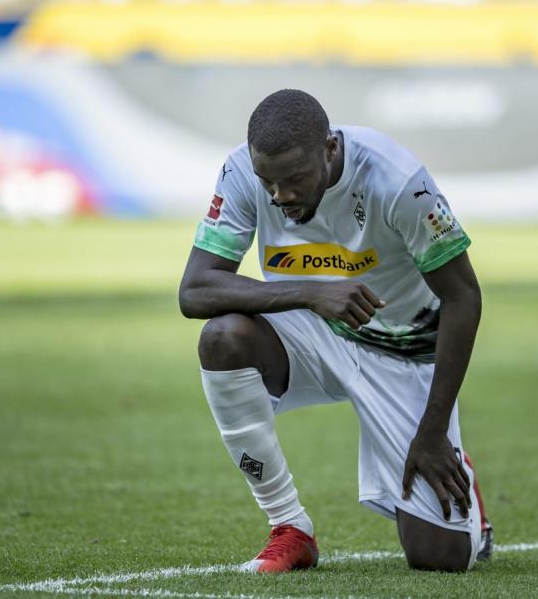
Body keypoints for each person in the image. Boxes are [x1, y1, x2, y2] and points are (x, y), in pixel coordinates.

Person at [178, 89, 492, 573]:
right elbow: (195, 290)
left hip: (404, 350)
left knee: (439, 558)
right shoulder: (242, 171)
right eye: (270, 182)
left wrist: (431, 432)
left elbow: (463, 297)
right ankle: (290, 527)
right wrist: (310, 294)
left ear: (329, 150)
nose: (280, 196)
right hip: (313, 334)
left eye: (295, 179)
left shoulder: (398, 180)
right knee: (223, 338)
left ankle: (459, 471)